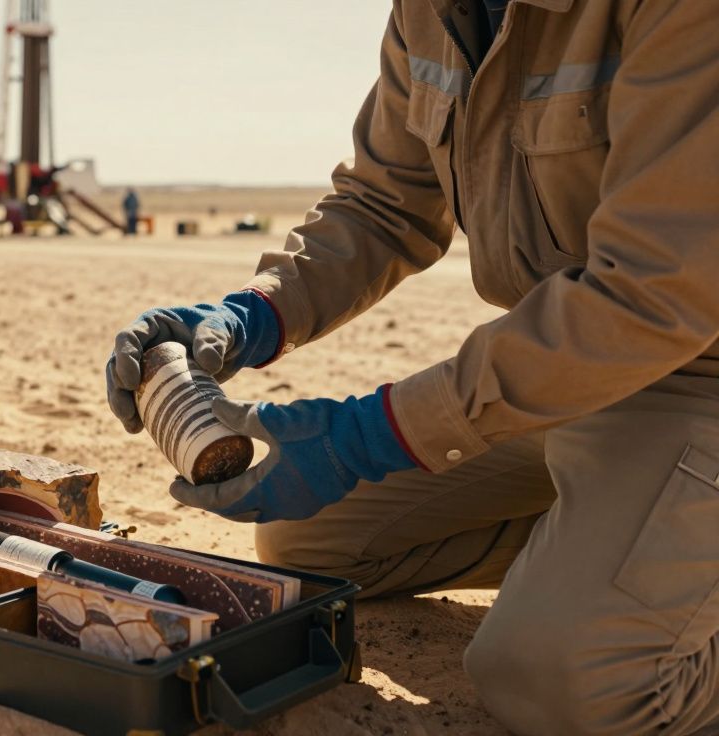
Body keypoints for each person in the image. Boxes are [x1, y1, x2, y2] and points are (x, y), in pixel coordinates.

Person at [105, 2, 719, 734]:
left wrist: (370, 433)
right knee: (311, 543)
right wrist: (252, 316)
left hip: (691, 370)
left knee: (561, 682)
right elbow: (384, 203)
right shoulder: (431, 11)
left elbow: (654, 288)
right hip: (569, 374)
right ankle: (613, 551)